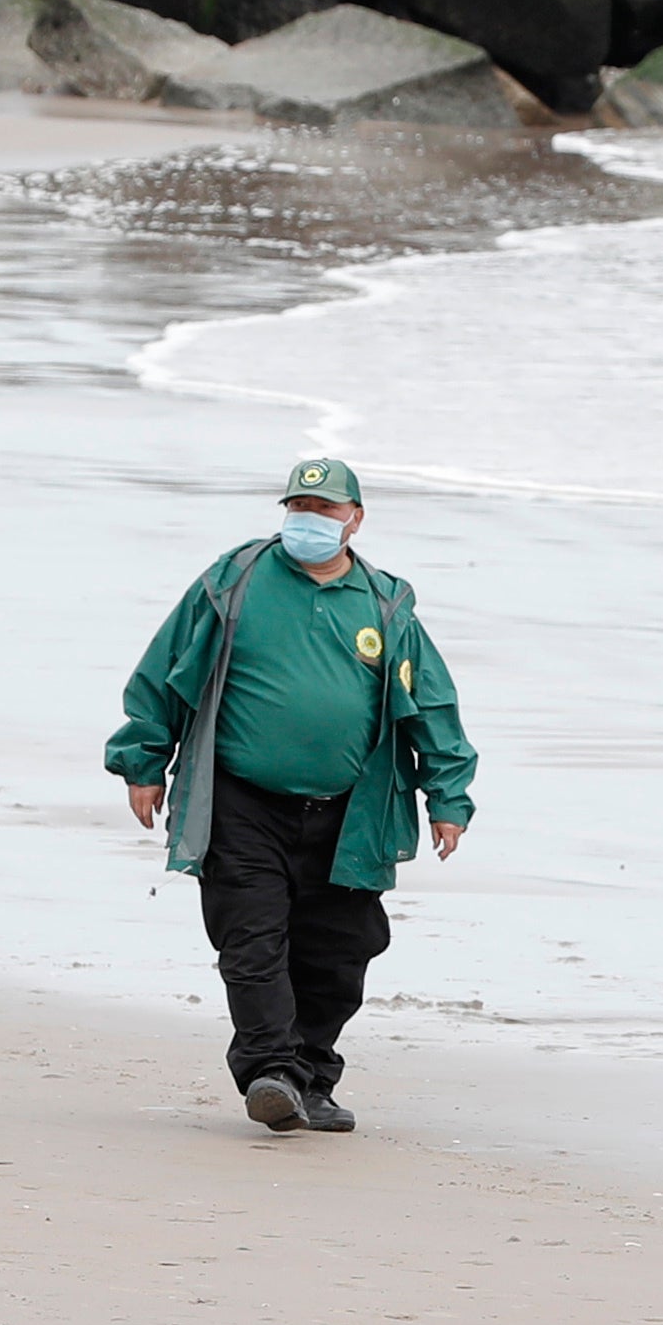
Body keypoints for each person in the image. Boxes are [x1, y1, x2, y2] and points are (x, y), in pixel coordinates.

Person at [102, 457, 476, 1136]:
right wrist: (142, 760)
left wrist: (447, 796)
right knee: (252, 942)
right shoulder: (235, 581)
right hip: (242, 801)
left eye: (325, 511)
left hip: (350, 812)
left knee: (339, 954)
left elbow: (433, 705)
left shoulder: (385, 604)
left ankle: (311, 1077)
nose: (309, 521)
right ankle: (270, 1072)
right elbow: (164, 669)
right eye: (298, 509)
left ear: (355, 520)